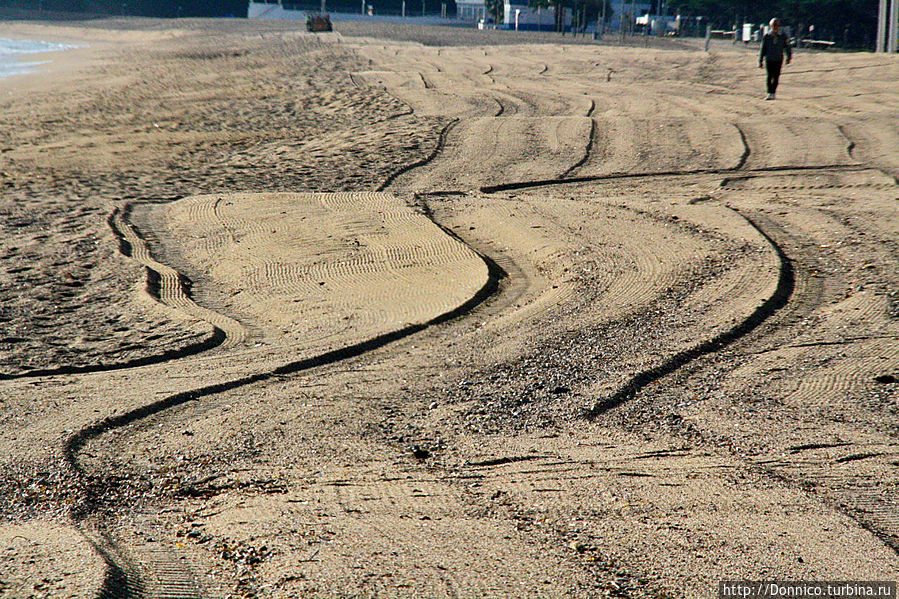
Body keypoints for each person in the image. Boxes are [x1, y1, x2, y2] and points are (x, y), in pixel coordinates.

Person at [758, 18, 792, 100]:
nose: (775, 27)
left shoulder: (783, 36)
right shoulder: (767, 36)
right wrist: (760, 60)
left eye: (777, 25)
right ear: (771, 26)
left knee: (776, 76)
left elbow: (787, 47)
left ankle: (773, 92)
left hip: (778, 59)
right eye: (774, 25)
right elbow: (763, 48)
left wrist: (789, 57)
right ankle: (769, 92)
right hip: (769, 59)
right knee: (769, 76)